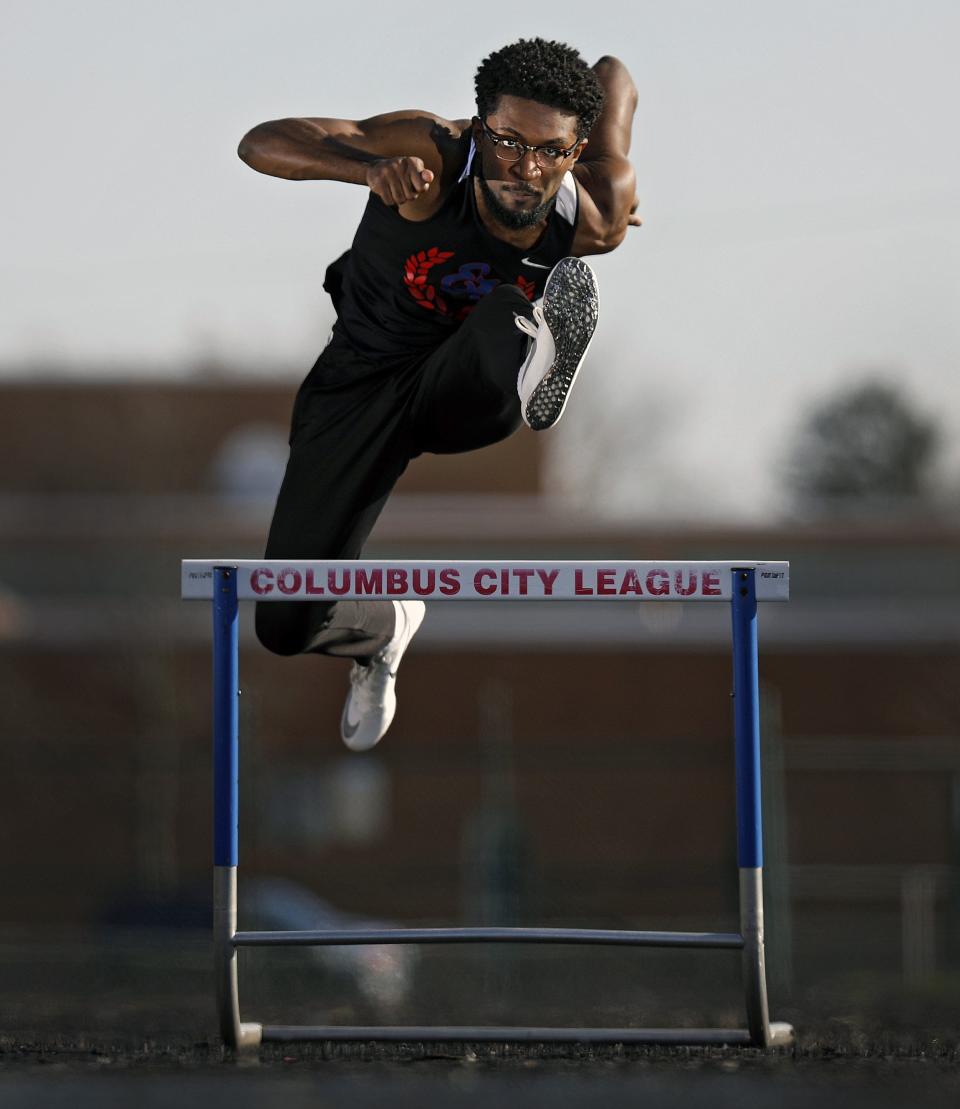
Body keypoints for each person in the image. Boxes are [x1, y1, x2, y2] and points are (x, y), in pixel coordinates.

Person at [238, 38, 640, 752]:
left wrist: (599, 102)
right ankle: (382, 629)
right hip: (356, 387)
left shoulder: (595, 214)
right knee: (283, 623)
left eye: (550, 150)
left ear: (577, 152)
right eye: (508, 142)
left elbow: (616, 81)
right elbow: (259, 144)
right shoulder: (434, 151)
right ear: (478, 127)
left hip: (468, 388)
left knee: (502, 314)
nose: (525, 167)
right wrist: (367, 168)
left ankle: (540, 350)